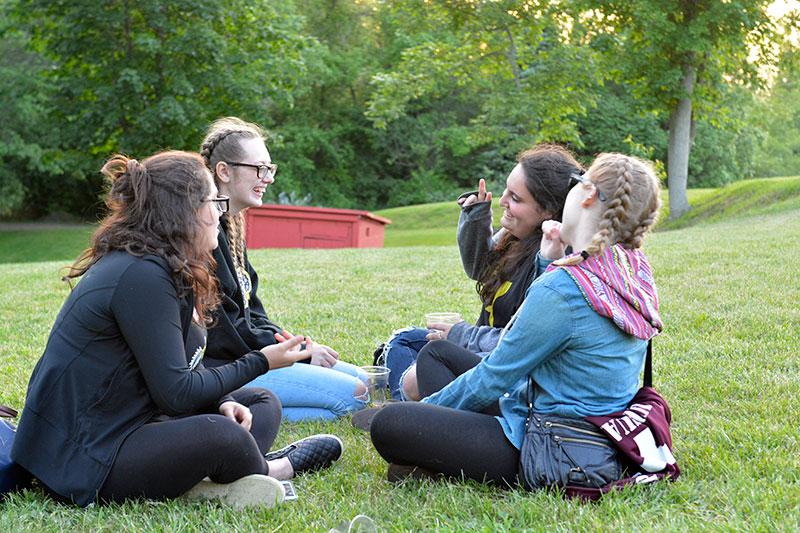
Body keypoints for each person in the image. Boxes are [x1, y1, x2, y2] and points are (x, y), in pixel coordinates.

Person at [11, 151, 343, 508]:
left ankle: (210, 477)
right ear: (183, 210)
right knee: (223, 436)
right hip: (84, 456)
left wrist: (223, 401)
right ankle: (274, 468)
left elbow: (180, 371)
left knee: (260, 403)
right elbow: (177, 394)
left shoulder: (163, 266)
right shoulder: (141, 274)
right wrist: (261, 361)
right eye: (213, 201)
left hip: (131, 420)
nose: (220, 211)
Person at [369, 153, 663, 488]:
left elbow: (495, 375)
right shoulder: (627, 269)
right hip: (591, 432)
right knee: (438, 355)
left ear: (588, 195)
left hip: (552, 447)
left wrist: (428, 412)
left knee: (390, 424)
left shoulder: (564, 289)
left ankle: (436, 458)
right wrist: (547, 262)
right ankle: (439, 457)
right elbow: (549, 332)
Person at [380, 145, 582, 401]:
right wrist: (475, 218)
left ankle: (401, 397)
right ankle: (405, 390)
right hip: (480, 348)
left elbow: (523, 343)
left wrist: (460, 335)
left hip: (508, 369)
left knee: (419, 370)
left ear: (549, 211)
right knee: (405, 340)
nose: (502, 201)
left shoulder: (555, 256)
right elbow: (480, 269)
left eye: (516, 198)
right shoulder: (517, 237)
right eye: (507, 190)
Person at [198, 117, 368, 421]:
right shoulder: (205, 235)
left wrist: (298, 345)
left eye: (270, 169)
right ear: (223, 171)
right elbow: (225, 333)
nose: (269, 178)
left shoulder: (233, 226)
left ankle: (261, 405)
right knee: (357, 397)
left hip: (251, 356)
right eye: (259, 169)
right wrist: (298, 353)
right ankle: (231, 408)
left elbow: (252, 314)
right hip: (226, 369)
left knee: (367, 383)